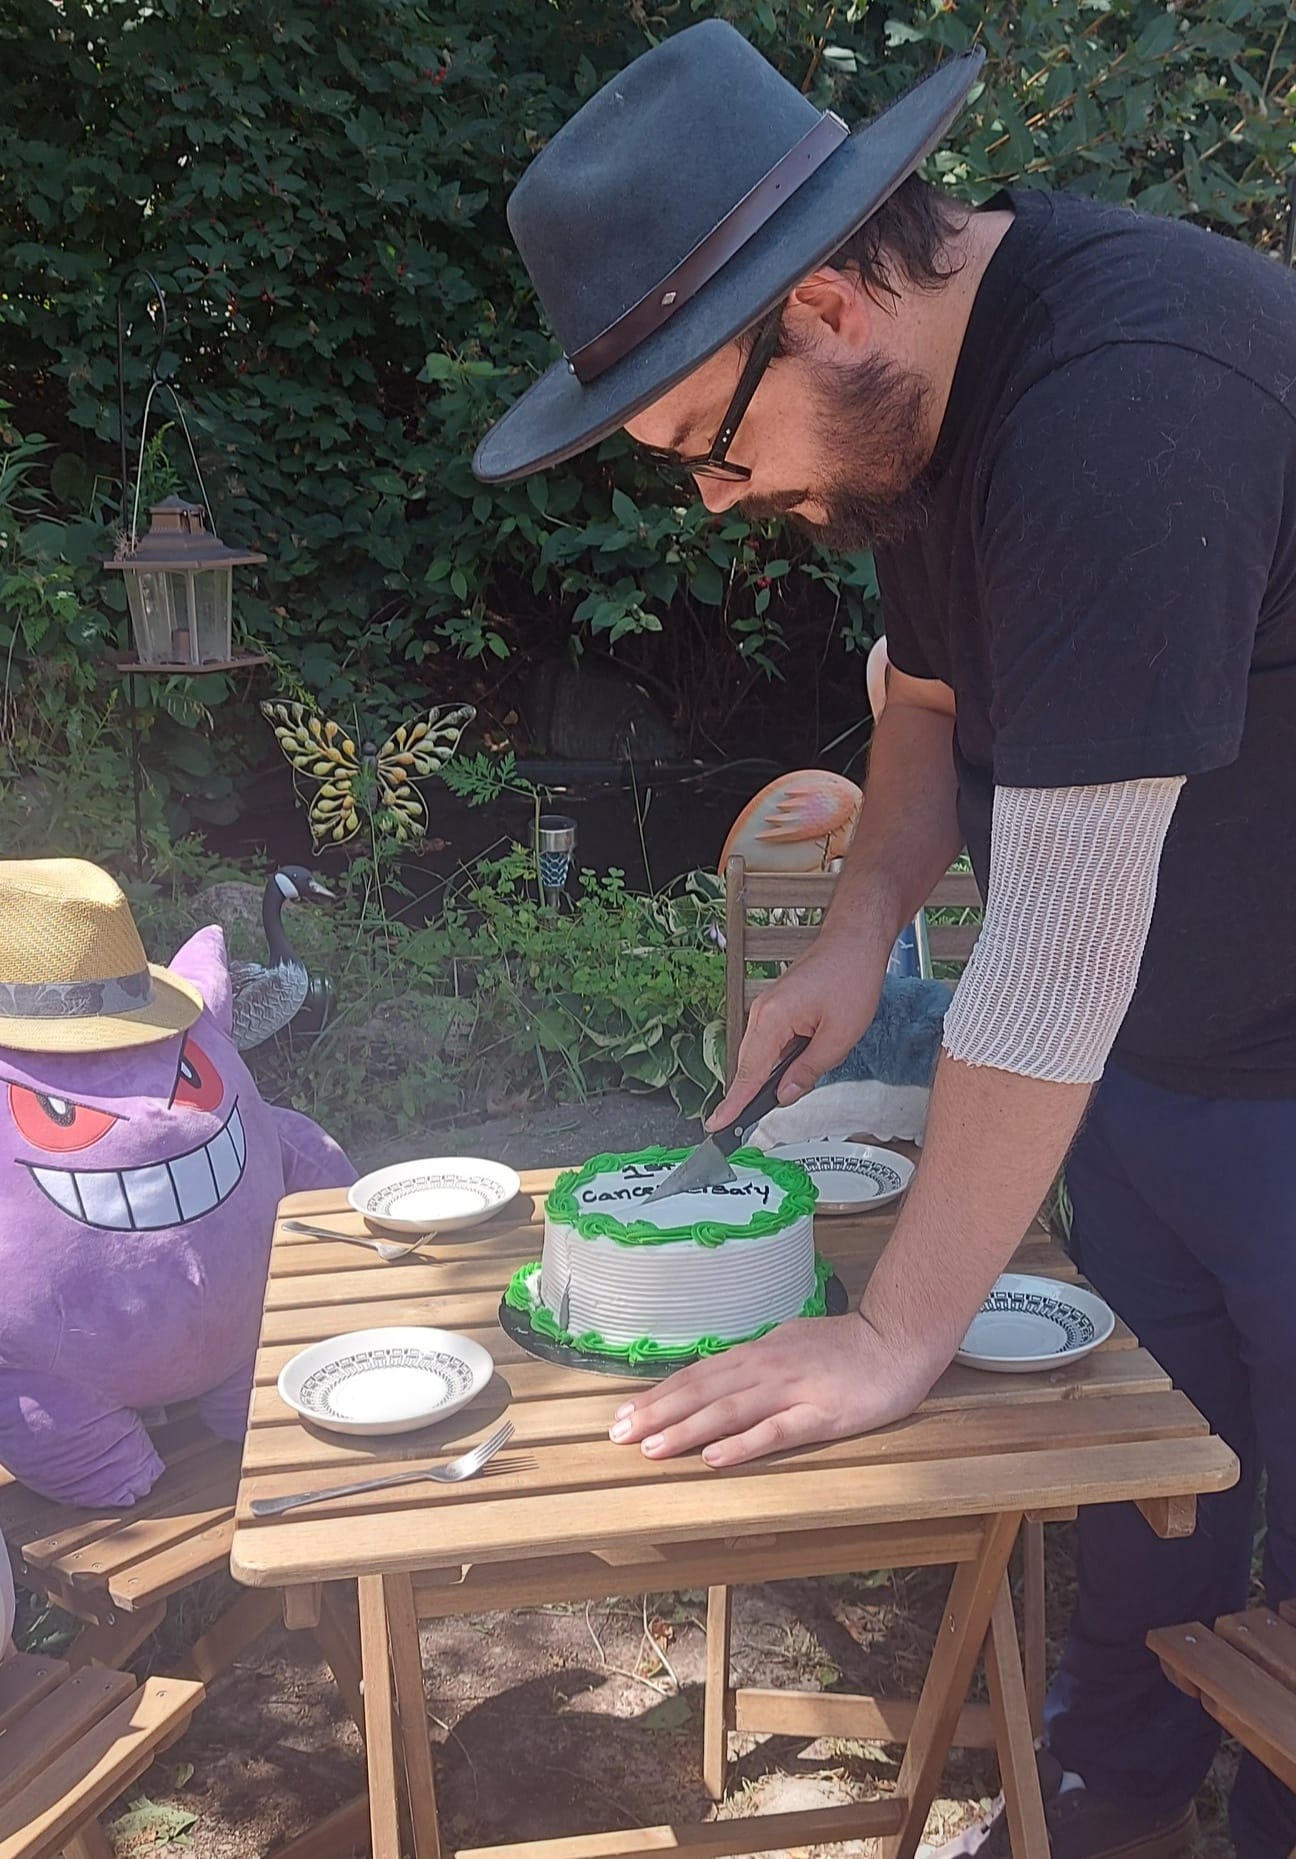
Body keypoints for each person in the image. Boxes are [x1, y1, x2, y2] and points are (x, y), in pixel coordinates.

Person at [473, 22, 1296, 1859]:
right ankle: (1103, 1805)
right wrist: (857, 934)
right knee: (1137, 1498)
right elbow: (926, 697)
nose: (716, 499)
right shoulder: (930, 406)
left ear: (828, 304)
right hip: (1153, 1073)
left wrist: (891, 1340)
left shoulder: (1123, 407)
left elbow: (1064, 945)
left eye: (704, 444)